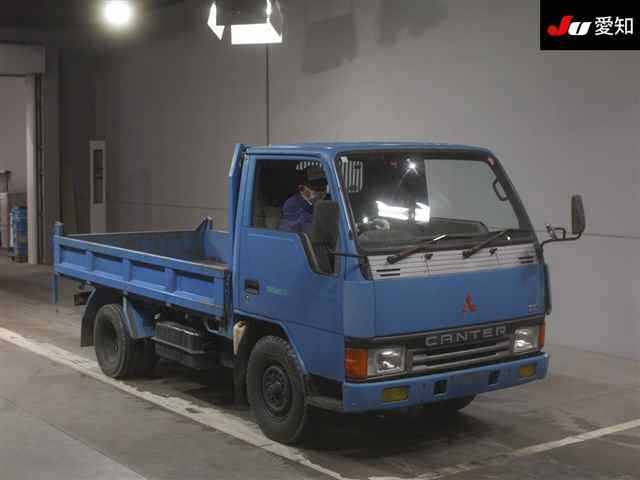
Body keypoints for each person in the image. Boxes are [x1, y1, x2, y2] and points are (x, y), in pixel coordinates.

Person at [278, 166, 328, 232]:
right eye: (315, 188)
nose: (320, 192)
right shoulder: (291, 204)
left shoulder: (326, 201)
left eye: (323, 187)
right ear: (302, 188)